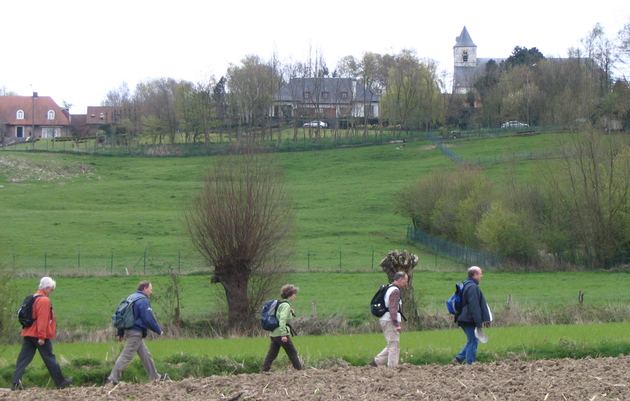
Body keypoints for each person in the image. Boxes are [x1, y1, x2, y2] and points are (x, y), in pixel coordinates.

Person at [12, 277, 72, 390]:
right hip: (38, 335)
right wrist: (42, 337)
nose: (52, 292)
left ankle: (15, 382)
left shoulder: (34, 297)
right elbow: (42, 320)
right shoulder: (44, 300)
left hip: (28, 333)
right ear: (47, 288)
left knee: (23, 359)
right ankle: (61, 382)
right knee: (50, 358)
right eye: (52, 289)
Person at [107, 281, 166, 384]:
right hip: (136, 333)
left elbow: (123, 315)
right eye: (150, 289)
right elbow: (148, 318)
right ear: (145, 288)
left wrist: (120, 333)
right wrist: (158, 330)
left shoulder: (131, 297)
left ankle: (155, 377)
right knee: (126, 356)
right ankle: (112, 379)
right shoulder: (143, 300)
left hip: (131, 331)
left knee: (146, 355)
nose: (151, 292)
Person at [453, 266, 491, 365]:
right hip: (468, 319)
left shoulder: (466, 284)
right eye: (480, 274)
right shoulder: (473, 287)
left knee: (472, 339)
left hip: (463, 318)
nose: (481, 276)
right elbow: (474, 307)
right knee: (473, 340)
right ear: (474, 275)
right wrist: (479, 323)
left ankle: (458, 359)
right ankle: (470, 363)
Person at [370, 271, 409, 368]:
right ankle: (392, 367)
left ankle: (376, 362)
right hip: (390, 320)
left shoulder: (389, 288)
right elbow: (393, 309)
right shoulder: (395, 291)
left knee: (392, 344)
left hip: (385, 319)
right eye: (406, 280)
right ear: (400, 279)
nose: (406, 283)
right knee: (394, 345)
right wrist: (396, 324)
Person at [262, 284, 302, 372]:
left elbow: (279, 316)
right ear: (290, 295)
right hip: (281, 334)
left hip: (274, 333)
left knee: (272, 353)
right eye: (294, 294)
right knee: (292, 353)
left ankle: (264, 370)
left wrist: (291, 313)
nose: (295, 296)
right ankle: (299, 371)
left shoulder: (281, 304)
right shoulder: (286, 306)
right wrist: (284, 334)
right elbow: (282, 320)